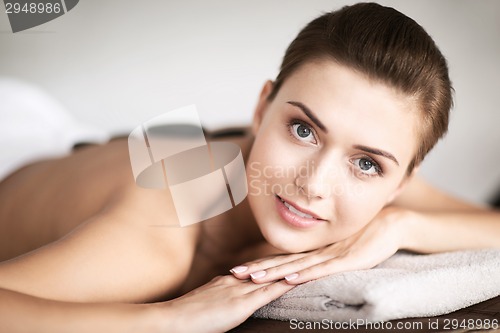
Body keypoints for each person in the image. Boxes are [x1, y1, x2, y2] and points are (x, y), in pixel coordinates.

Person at [0, 3, 499, 332]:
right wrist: (173, 319)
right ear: (262, 107)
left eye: (366, 163)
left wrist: (403, 224)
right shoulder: (159, 241)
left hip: (115, 147)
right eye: (304, 130)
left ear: (402, 183)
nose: (315, 184)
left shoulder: (384, 197)